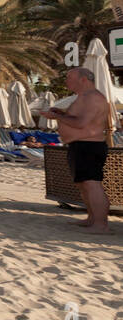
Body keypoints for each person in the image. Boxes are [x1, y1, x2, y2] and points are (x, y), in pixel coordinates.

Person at [47, 67, 112, 234]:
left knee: (92, 184)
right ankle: (92, 218)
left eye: (70, 78)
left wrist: (57, 117)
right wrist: (61, 113)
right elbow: (77, 119)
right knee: (83, 185)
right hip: (80, 145)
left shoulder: (93, 98)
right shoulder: (83, 97)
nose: (66, 81)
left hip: (89, 145)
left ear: (83, 79)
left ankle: (101, 224)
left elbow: (80, 123)